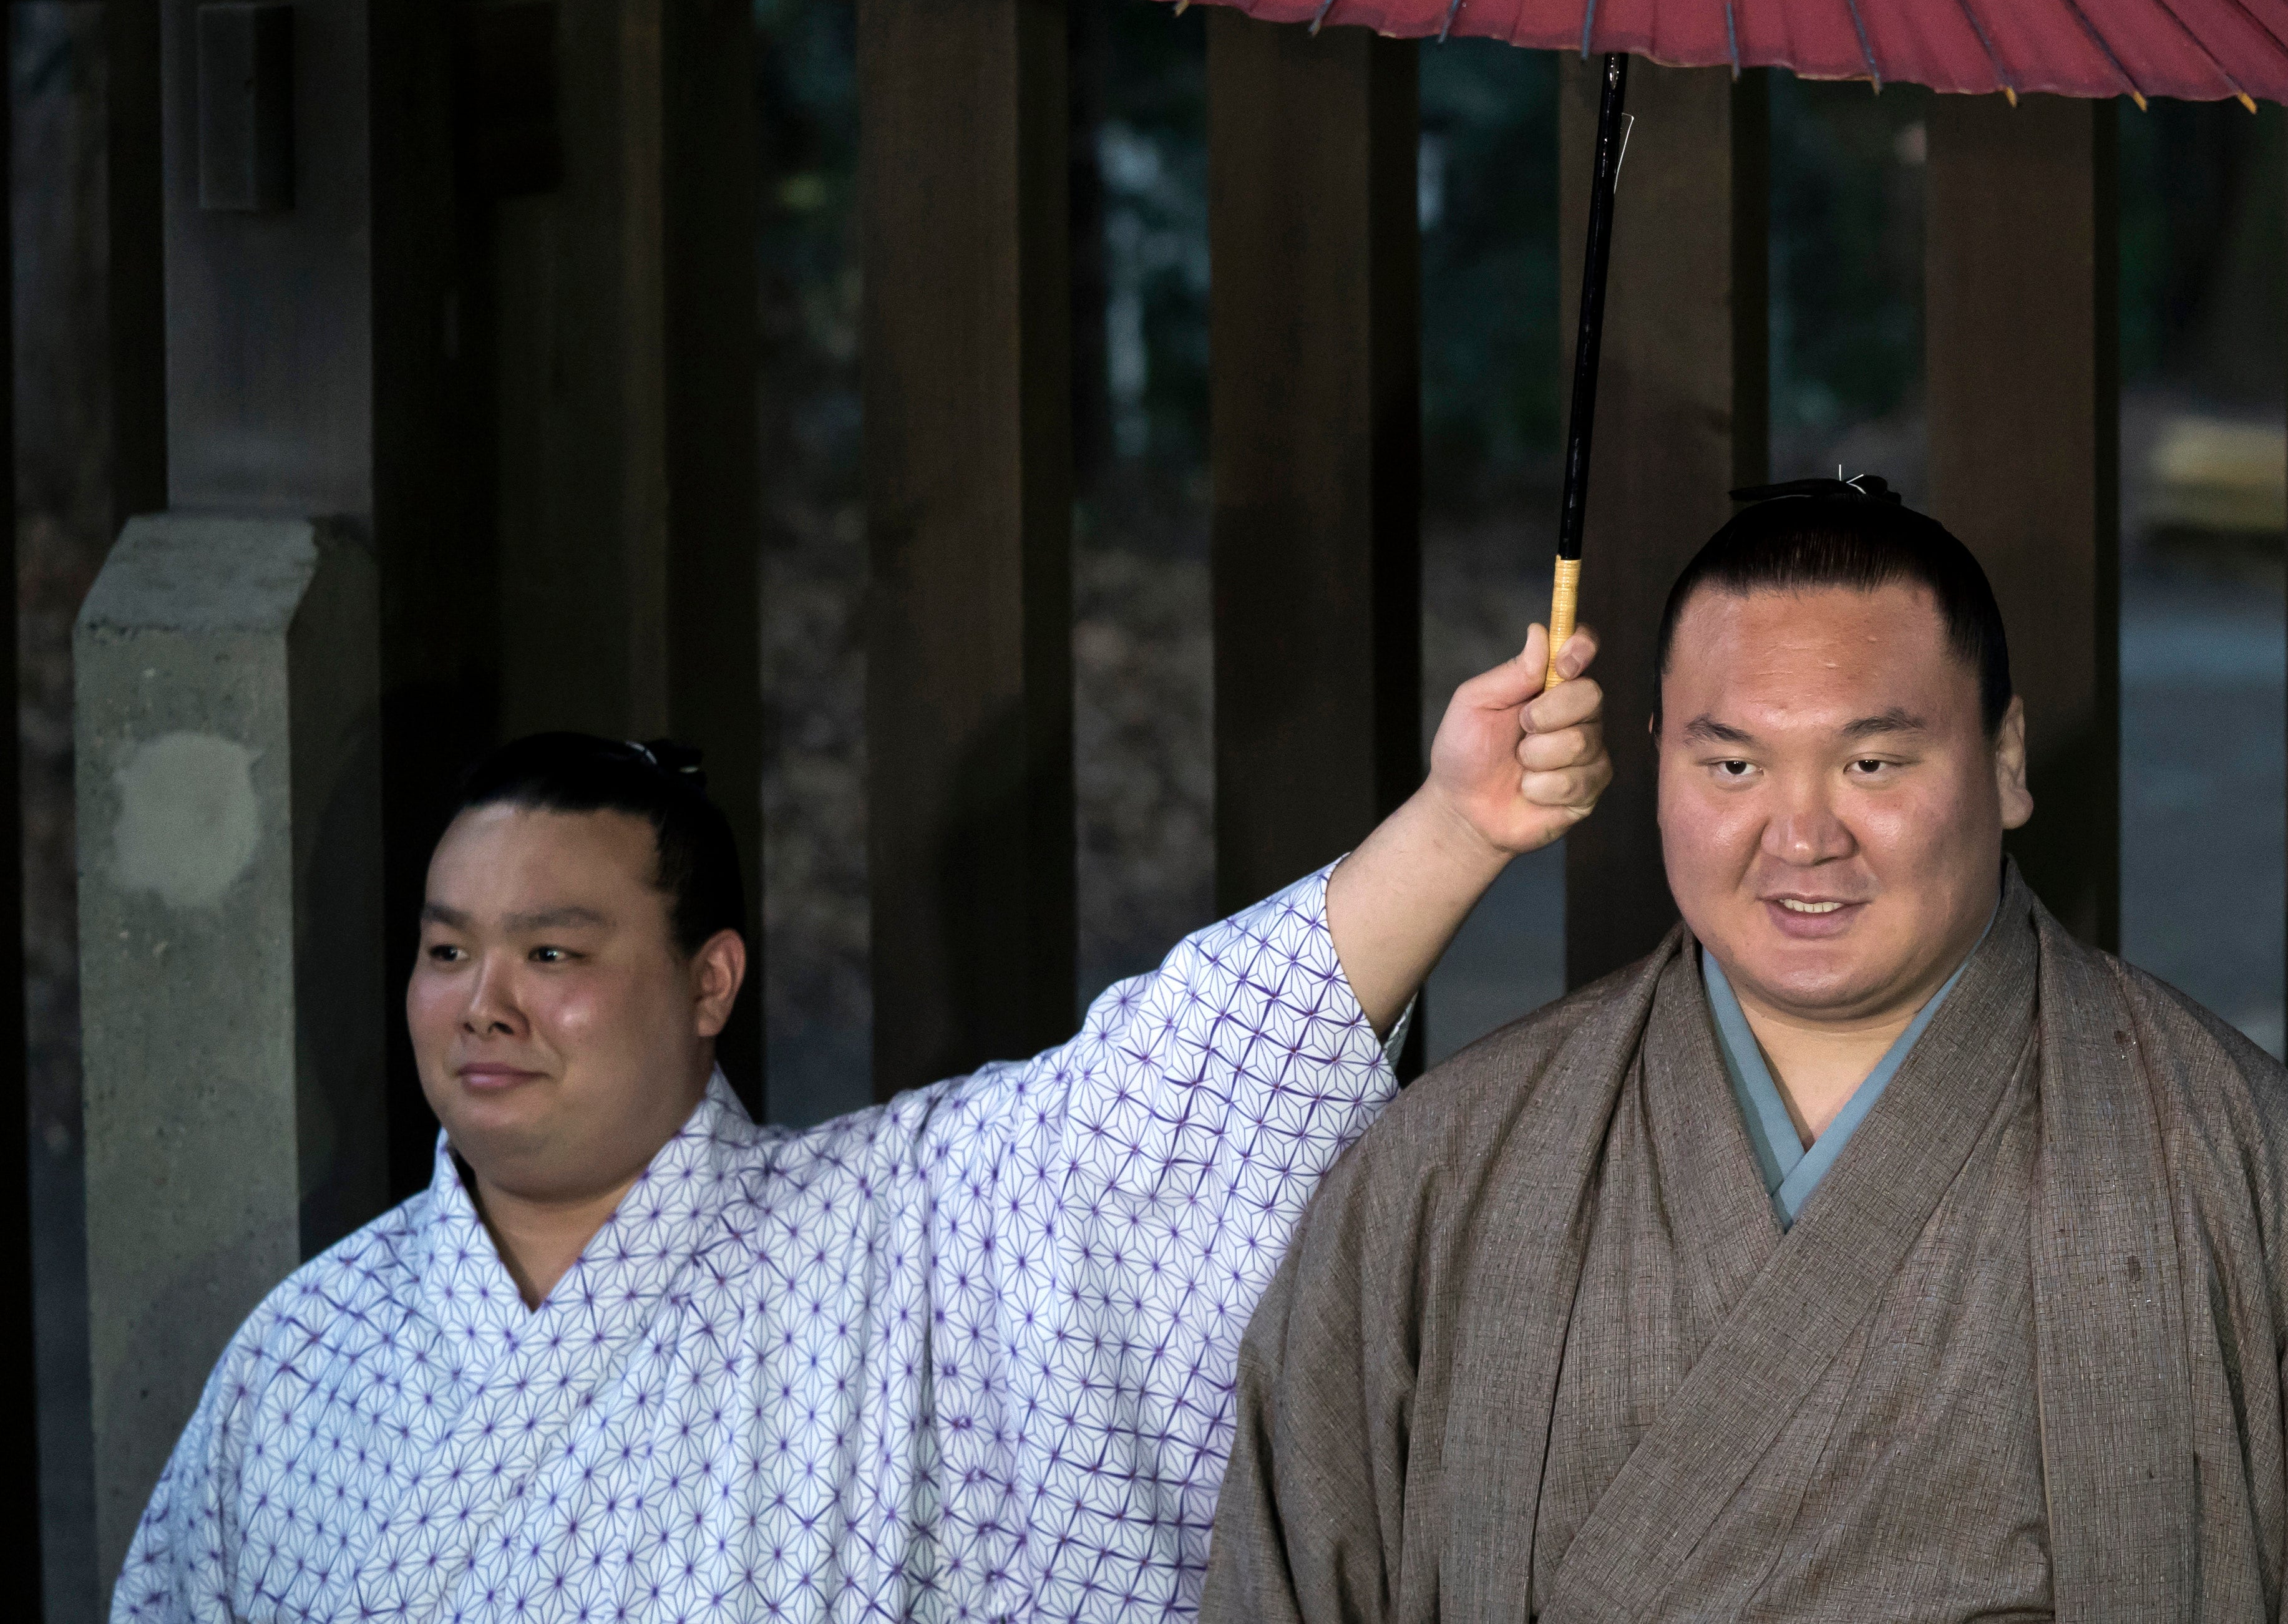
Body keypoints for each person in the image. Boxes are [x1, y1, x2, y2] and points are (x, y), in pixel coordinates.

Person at [1204, 479, 2288, 1623]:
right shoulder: (1448, 1176)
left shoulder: (2262, 1188)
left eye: (1871, 763)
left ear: (2006, 760)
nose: (1801, 836)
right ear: (1653, 764)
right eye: (1732, 765)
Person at [113, 625, 1611, 1624]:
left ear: (708, 981)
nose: (484, 1001)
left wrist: (1452, 825)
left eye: (552, 950)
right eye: (448, 950)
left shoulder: (897, 1223)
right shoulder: (301, 1355)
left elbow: (1167, 1090)